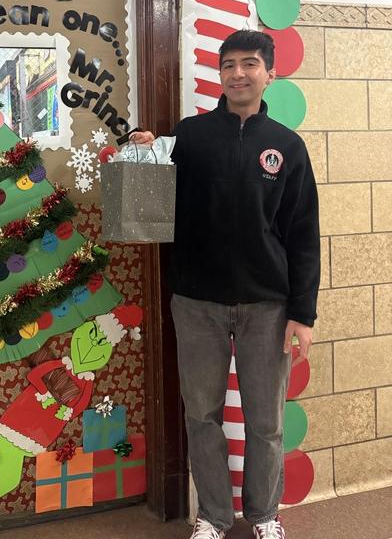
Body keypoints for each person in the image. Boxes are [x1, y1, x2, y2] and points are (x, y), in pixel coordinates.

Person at [131, 29, 320, 539]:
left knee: (265, 423)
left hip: (268, 306)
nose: (239, 73)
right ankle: (213, 516)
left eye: (250, 64)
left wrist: (302, 314)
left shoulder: (287, 146)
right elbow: (149, 204)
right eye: (230, 64)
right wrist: (146, 151)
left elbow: (303, 235)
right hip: (196, 302)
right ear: (220, 73)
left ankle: (263, 515)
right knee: (203, 416)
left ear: (270, 73)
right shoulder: (189, 136)